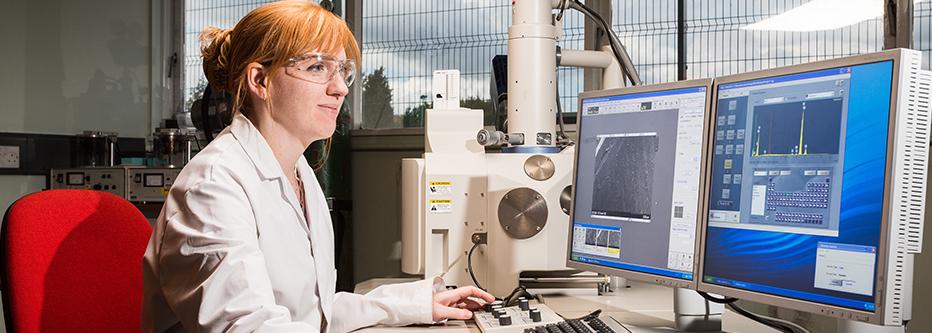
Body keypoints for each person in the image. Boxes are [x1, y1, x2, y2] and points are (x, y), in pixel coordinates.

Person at [141, 1, 494, 332]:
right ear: (260, 81)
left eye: (342, 70)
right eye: (317, 67)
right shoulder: (214, 186)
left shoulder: (298, 174)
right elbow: (251, 326)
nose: (340, 88)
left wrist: (416, 304)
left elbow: (315, 313)